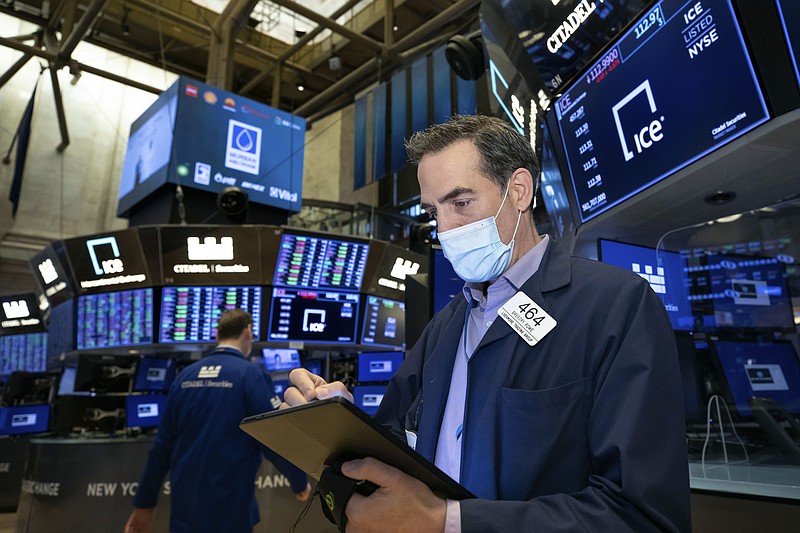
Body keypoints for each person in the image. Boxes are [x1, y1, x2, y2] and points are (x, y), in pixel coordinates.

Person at [284, 114, 691, 532]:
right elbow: (392, 450)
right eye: (433, 211)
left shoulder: (614, 306)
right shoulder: (445, 328)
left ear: (519, 191)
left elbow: (644, 516)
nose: (444, 229)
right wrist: (340, 429)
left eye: (460, 203)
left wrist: (448, 521)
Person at [126, 309, 311, 533]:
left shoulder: (184, 377)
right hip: (230, 509)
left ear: (217, 335)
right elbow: (272, 436)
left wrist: (144, 505)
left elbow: (161, 448)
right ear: (248, 332)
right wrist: (299, 481)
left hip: (185, 511)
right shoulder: (249, 375)